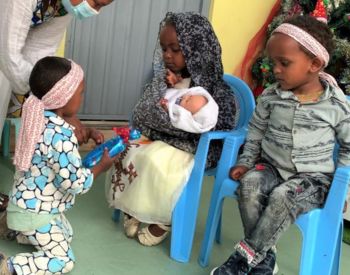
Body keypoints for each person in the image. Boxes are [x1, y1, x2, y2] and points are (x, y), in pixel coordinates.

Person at [211, 15, 350, 275]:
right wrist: (246, 161)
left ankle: (244, 259)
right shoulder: (272, 96)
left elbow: (349, 147)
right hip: (272, 168)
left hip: (314, 179)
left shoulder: (335, 105)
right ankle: (264, 258)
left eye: (284, 63)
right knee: (250, 185)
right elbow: (255, 130)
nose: (275, 70)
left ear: (315, 64)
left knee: (282, 196)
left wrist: (342, 192)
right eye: (272, 62)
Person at [106, 12, 237, 246]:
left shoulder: (219, 91)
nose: (167, 55)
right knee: (130, 152)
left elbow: (202, 131)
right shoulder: (165, 80)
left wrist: (161, 123)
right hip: (164, 139)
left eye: (175, 49)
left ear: (197, 48)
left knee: (157, 161)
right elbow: (141, 113)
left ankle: (163, 218)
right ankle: (134, 209)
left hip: (194, 149)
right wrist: (160, 87)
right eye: (164, 48)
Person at [0, 56, 116, 275]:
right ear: (64, 98)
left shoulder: (38, 115)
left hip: (26, 202)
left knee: (67, 234)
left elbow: (67, 131)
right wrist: (102, 166)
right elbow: (75, 183)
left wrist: (89, 132)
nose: (82, 96)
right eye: (80, 93)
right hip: (36, 211)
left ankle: (15, 227)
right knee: (63, 260)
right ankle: (9, 265)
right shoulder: (60, 137)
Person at [0, 0, 114, 216]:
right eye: (96, 2)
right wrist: (54, 100)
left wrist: (59, 105)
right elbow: (8, 54)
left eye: (102, 6)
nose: (94, 11)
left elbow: (41, 54)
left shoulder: (65, 5)